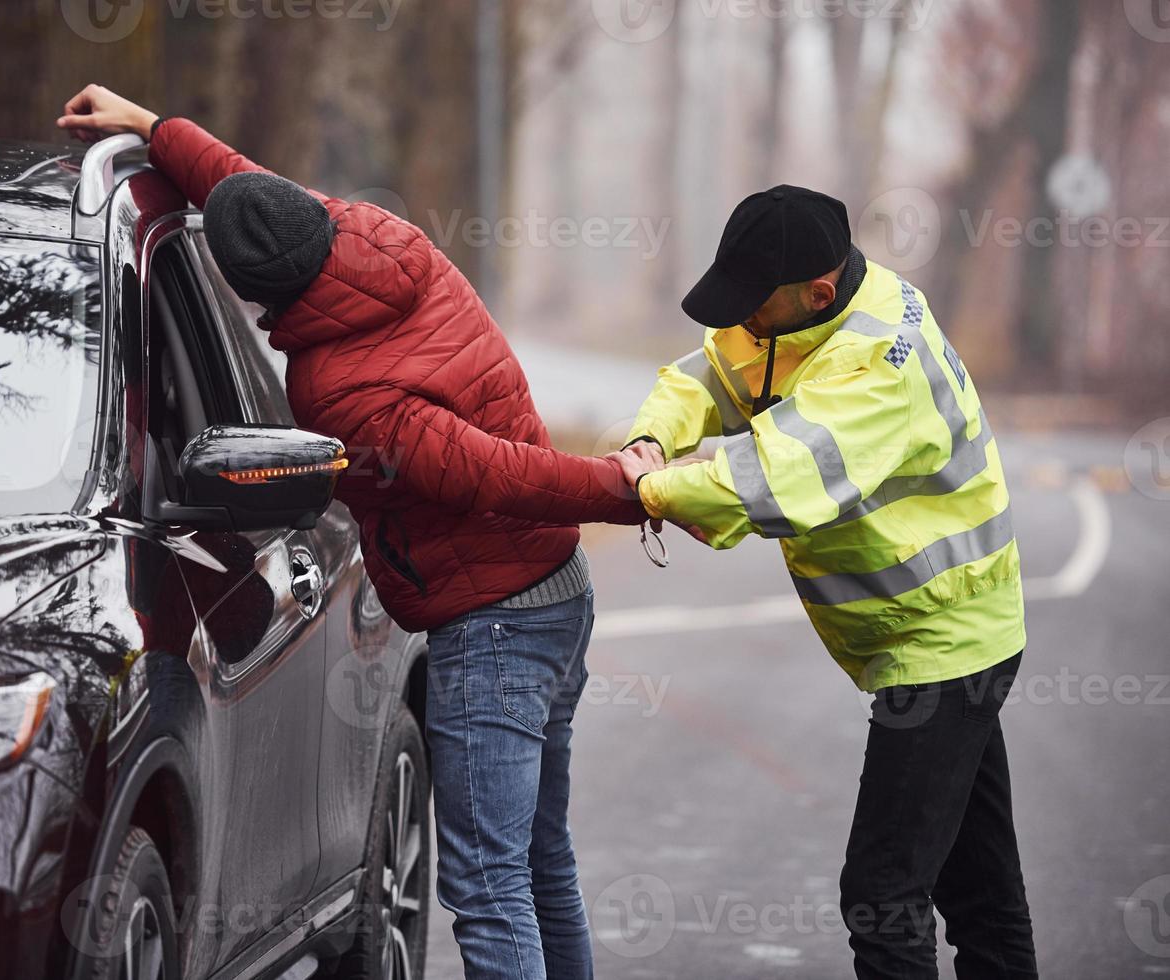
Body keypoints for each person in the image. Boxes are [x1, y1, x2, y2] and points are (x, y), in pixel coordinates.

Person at [58, 85, 645, 979]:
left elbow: (489, 472)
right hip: (557, 591)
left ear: (256, 292)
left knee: (490, 888)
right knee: (536, 859)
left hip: (493, 621)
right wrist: (152, 129)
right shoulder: (377, 237)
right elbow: (253, 191)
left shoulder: (340, 388)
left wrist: (626, 490)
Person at [614, 185, 1038, 980]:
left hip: (944, 644)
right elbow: (703, 378)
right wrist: (648, 438)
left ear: (816, 291)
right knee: (980, 891)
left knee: (881, 897)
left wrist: (640, 489)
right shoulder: (798, 315)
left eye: (751, 304)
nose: (738, 320)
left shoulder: (877, 361)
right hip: (940, 637)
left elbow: (771, 478)